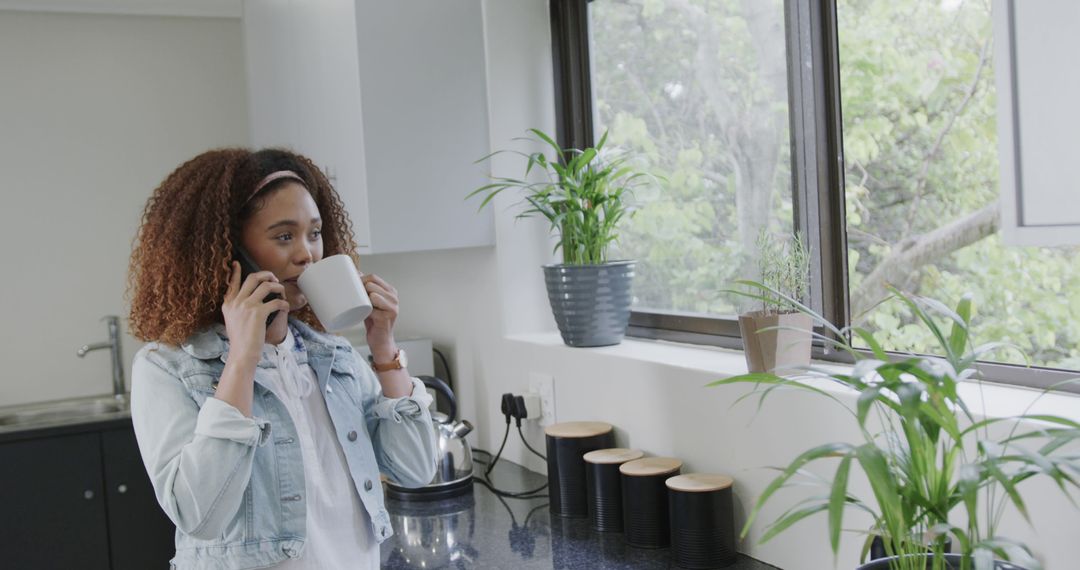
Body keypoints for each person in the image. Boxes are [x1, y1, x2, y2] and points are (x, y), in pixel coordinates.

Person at [126, 147, 437, 569]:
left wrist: (383, 348)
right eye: (284, 236)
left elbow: (415, 470)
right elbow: (199, 515)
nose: (307, 254)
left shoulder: (336, 357)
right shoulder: (166, 368)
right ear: (229, 252)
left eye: (314, 232)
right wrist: (243, 358)